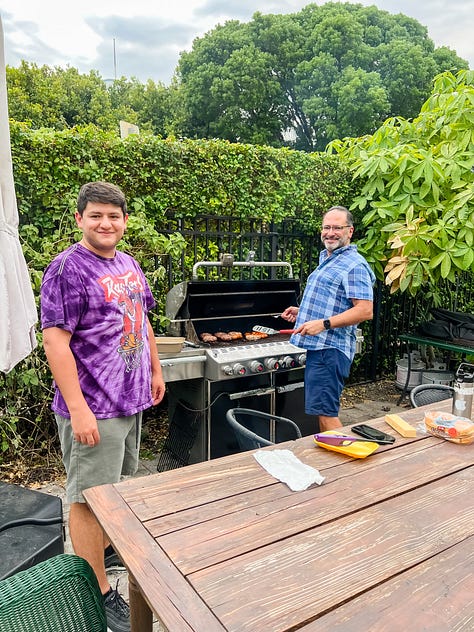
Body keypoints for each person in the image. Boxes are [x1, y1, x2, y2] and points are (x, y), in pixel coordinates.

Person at [40, 181, 165, 632]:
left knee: (116, 491)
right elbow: (55, 341)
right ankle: (97, 591)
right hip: (93, 406)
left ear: (125, 221)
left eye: (113, 216)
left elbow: (143, 317)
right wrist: (78, 409)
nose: (105, 223)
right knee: (88, 499)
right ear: (80, 219)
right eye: (95, 215)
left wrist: (154, 370)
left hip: (129, 401)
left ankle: (103, 555)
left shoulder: (129, 264)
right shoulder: (66, 270)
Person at [282, 206, 375, 432]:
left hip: (330, 349)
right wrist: (301, 311)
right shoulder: (329, 259)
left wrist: (323, 324)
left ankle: (344, 464)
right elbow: (333, 301)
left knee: (327, 415)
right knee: (323, 411)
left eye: (337, 227)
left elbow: (364, 310)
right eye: (326, 227)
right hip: (321, 350)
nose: (330, 232)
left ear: (350, 231)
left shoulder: (354, 265)